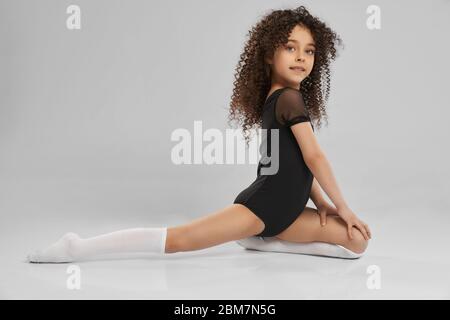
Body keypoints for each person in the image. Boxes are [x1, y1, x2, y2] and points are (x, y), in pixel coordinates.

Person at [26, 6, 371, 263]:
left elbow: (295, 161)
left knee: (357, 243)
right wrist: (345, 207)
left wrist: (322, 203)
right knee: (181, 240)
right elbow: (315, 157)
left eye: (309, 50)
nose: (301, 57)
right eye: (290, 47)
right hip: (262, 207)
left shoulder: (286, 98)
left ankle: (266, 241)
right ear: (269, 54)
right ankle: (78, 246)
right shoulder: (288, 99)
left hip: (290, 214)